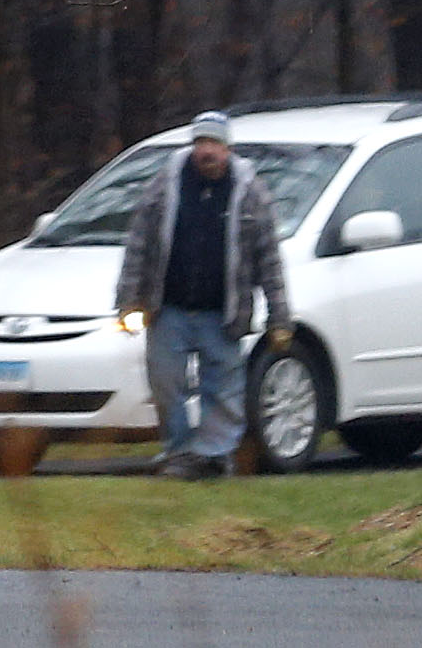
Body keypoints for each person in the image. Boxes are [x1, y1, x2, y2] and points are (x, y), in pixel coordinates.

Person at [112, 111, 292, 480]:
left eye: (214, 143)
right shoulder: (166, 185)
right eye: (200, 143)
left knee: (223, 390)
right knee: (165, 384)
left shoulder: (250, 192)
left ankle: (214, 453)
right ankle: (179, 452)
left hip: (222, 313)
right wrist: (129, 300)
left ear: (228, 148)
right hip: (169, 309)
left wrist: (280, 317)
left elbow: (268, 258)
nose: (206, 151)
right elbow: (139, 244)